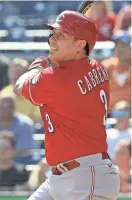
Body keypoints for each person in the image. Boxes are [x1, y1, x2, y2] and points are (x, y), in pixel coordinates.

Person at [14, 10, 120, 200]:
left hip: (86, 178)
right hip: (64, 176)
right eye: (53, 34)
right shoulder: (98, 67)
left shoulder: (54, 79)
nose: (52, 40)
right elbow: (76, 71)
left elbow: (19, 86)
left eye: (61, 35)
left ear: (80, 44)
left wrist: (38, 65)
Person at [0, 96, 40, 165]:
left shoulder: (25, 123)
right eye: (2, 106)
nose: (5, 109)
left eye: (9, 107)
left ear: (14, 108)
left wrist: (4, 154)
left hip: (21, 159)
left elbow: (24, 149)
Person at [0, 57, 41, 123]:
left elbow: (39, 120)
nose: (15, 75)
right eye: (13, 72)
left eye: (19, 73)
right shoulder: (3, 94)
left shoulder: (36, 94)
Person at [102, 30, 131, 110]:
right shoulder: (107, 66)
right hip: (108, 114)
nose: (120, 49)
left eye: (124, 45)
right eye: (117, 46)